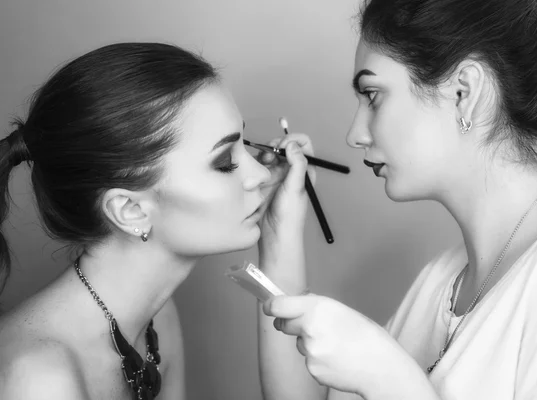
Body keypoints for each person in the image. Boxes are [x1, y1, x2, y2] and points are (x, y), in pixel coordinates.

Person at [257, 0, 537, 399]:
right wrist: (278, 235)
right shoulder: (440, 281)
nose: (355, 134)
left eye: (372, 95)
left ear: (463, 92)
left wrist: (390, 380)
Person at [0, 42, 311, 400]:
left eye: (246, 141)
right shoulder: (37, 380)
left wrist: (278, 230)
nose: (260, 172)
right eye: (225, 161)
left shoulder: (154, 321)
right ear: (130, 210)